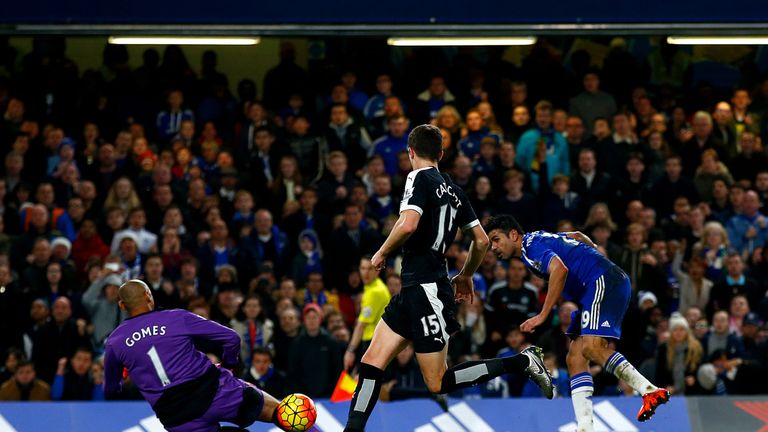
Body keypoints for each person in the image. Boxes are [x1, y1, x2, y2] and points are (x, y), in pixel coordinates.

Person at [343, 125, 552, 432]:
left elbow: (409, 224)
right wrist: (466, 275)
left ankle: (521, 362)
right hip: (416, 288)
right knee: (371, 362)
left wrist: (382, 251)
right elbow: (481, 240)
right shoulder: (455, 190)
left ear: (410, 152)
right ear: (440, 154)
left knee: (437, 381)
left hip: (427, 289)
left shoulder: (417, 177)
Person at [485, 214, 669, 429]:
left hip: (601, 282)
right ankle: (584, 426)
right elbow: (577, 236)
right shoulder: (537, 238)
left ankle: (649, 391)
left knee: (592, 348)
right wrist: (591, 253)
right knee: (575, 357)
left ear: (513, 234)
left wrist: (542, 315)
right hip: (595, 287)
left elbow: (559, 270)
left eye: (496, 239)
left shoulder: (530, 247)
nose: (493, 247)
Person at [103, 280, 286, 432]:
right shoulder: (175, 318)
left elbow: (111, 389)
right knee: (284, 413)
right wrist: (228, 366)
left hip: (178, 417)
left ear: (121, 305)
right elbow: (231, 338)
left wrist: (124, 376)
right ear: (149, 295)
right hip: (215, 392)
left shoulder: (115, 342)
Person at [343, 256, 391, 371]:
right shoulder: (374, 286)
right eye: (363, 268)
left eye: (370, 269)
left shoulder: (375, 292)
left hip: (374, 343)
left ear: (377, 270)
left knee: (363, 382)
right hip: (374, 342)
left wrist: (350, 351)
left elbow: (361, 326)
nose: (366, 273)